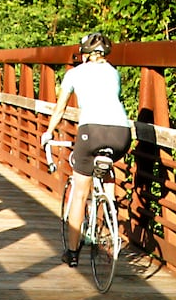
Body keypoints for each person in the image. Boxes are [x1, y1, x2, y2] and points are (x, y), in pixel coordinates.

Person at [40, 31, 133, 267]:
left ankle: (72, 253)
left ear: (85, 55)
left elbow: (60, 108)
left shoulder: (75, 73)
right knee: (106, 164)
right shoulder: (114, 72)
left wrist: (49, 132)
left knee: (80, 192)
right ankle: (110, 209)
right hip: (122, 133)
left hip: (91, 131)